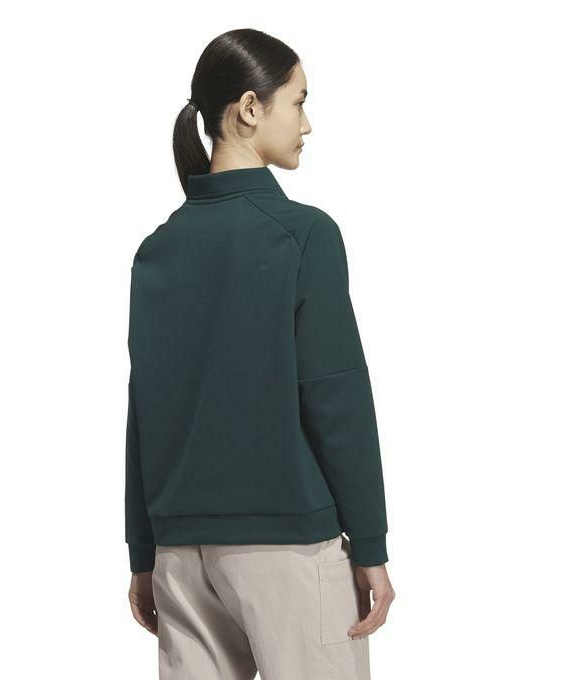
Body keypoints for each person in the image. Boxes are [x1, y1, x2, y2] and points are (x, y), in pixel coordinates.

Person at [125, 28, 395, 680]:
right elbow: (335, 396)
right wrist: (371, 545)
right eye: (298, 102)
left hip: (181, 556)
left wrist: (143, 553)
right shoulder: (302, 234)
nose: (307, 123)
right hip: (289, 550)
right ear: (250, 108)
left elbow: (145, 411)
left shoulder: (157, 249)